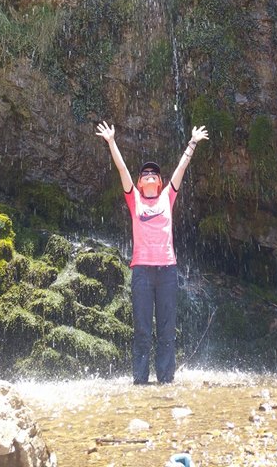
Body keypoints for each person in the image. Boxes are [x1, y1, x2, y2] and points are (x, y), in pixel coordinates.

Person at [95, 120, 209, 385]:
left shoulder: (167, 197)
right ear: (139, 181)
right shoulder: (134, 199)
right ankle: (140, 383)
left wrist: (192, 142)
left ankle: (166, 381)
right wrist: (112, 142)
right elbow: (122, 169)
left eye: (154, 174)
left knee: (167, 331)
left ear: (159, 182)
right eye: (145, 173)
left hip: (168, 271)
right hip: (142, 272)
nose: (149, 175)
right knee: (143, 331)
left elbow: (181, 169)